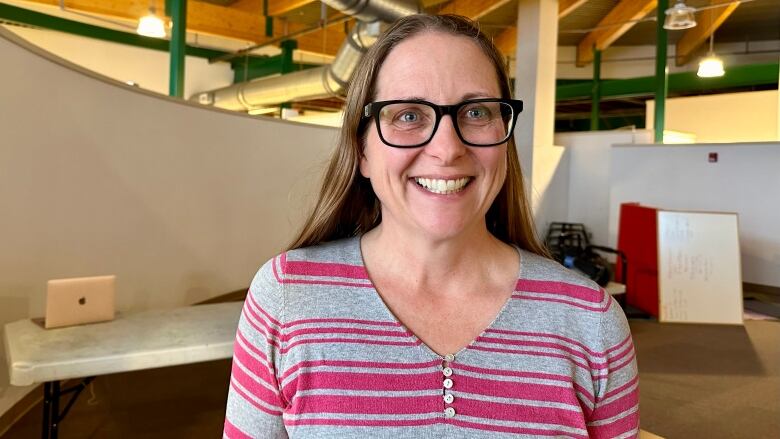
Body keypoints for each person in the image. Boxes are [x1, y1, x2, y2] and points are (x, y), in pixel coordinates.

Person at [223, 14, 639, 439]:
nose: (447, 149)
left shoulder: (589, 320)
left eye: (476, 111)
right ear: (362, 150)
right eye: (408, 116)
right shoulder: (286, 298)